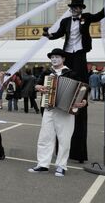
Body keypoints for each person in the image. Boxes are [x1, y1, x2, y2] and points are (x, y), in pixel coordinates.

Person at [43, 0, 105, 163]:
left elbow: (100, 15)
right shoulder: (65, 21)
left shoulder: (87, 17)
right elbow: (58, 34)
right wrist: (48, 35)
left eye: (76, 7)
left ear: (81, 9)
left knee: (80, 80)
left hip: (80, 53)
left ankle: (81, 95)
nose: (74, 9)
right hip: (68, 53)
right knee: (65, 75)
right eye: (72, 7)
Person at [28, 49, 86, 177]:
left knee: (64, 139)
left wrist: (83, 101)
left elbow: (82, 90)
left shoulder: (72, 74)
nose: (54, 59)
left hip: (65, 112)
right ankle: (43, 164)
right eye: (52, 57)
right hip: (49, 109)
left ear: (63, 59)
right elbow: (37, 85)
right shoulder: (47, 73)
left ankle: (61, 166)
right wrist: (39, 87)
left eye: (57, 57)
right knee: (45, 137)